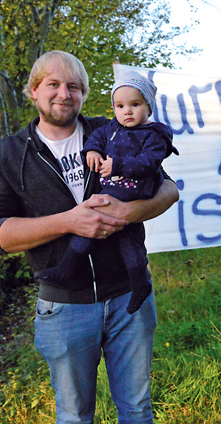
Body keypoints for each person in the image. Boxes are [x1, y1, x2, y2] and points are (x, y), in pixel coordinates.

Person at [0, 50, 179, 424]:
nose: (64, 94)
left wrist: (129, 212)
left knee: (137, 408)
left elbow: (168, 189)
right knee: (74, 416)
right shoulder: (8, 154)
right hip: (64, 307)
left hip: (128, 298)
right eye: (53, 84)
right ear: (34, 91)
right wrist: (69, 222)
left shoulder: (116, 128)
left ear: (84, 94)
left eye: (74, 86)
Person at [37, 72, 177, 314]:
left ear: (149, 108)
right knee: (126, 240)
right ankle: (139, 282)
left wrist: (118, 165)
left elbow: (150, 163)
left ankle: (67, 269)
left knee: (94, 218)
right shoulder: (111, 128)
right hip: (114, 188)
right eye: (121, 106)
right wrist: (91, 151)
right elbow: (96, 138)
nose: (127, 112)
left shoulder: (154, 135)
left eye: (135, 105)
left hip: (137, 190)